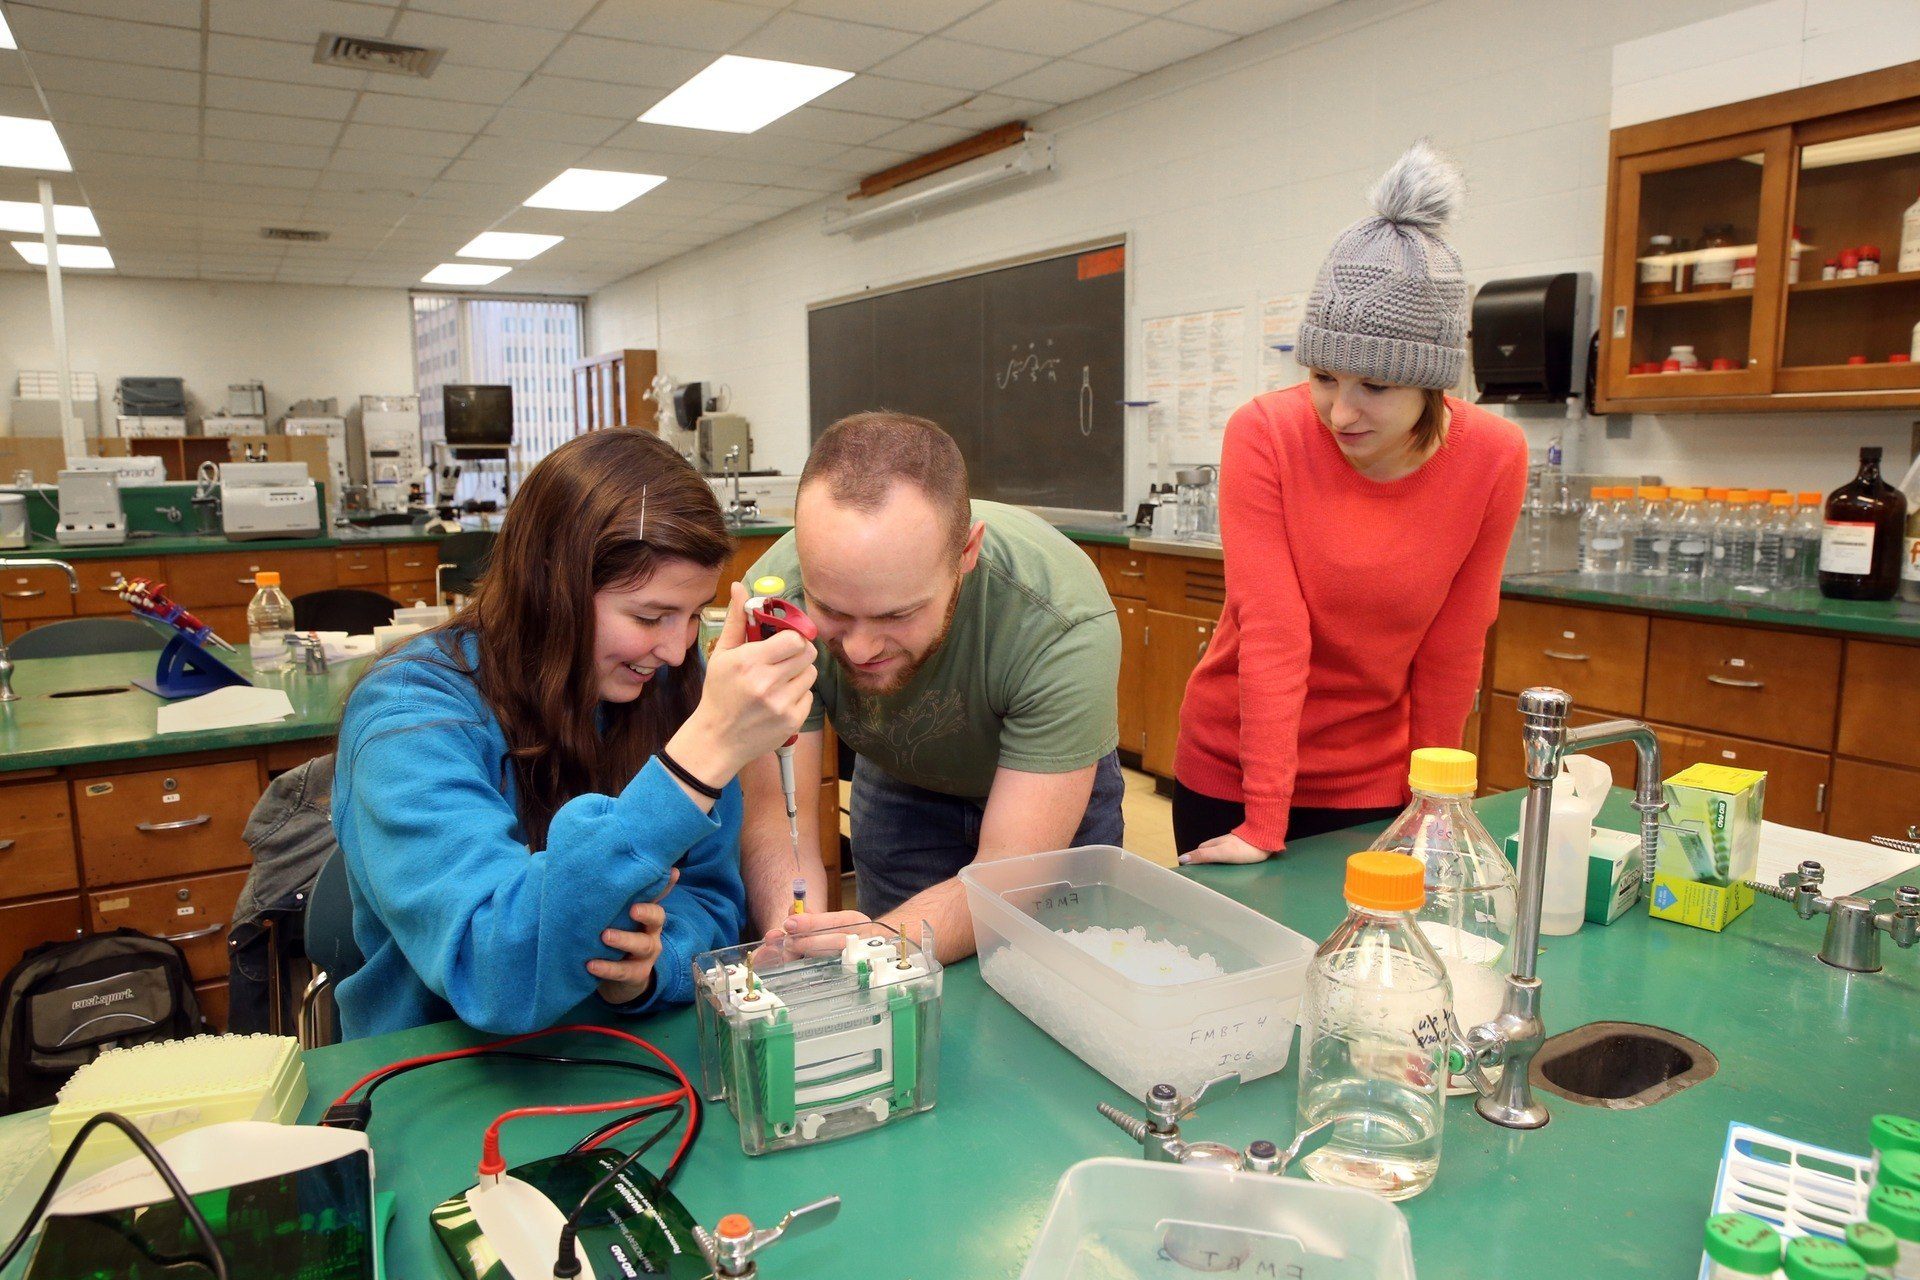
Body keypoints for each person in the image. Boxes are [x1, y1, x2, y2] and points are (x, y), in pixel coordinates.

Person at [331, 429, 816, 1038]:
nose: (675, 649)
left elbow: (712, 901)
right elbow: (495, 973)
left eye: (694, 614)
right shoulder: (409, 717)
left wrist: (647, 966)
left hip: (616, 1055)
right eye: (648, 616)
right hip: (439, 1072)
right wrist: (700, 757)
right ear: (549, 589)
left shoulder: (663, 681)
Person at [1175, 140, 1527, 864]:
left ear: (1431, 382)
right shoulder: (1265, 433)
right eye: (1325, 377)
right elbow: (1272, 631)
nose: (1340, 413)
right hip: (1235, 774)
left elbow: (1453, 644)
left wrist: (1435, 807)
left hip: (1375, 781)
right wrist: (1261, 823)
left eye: (1375, 386)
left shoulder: (1493, 458)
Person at [741, 412, 1123, 961]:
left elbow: (1007, 878)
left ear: (966, 554)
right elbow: (777, 817)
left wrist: (868, 947)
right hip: (903, 780)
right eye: (832, 611)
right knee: (899, 995)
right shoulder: (774, 605)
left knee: (1057, 982)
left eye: (897, 615)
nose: (857, 650)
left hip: (1051, 796)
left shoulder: (1060, 622)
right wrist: (794, 937)